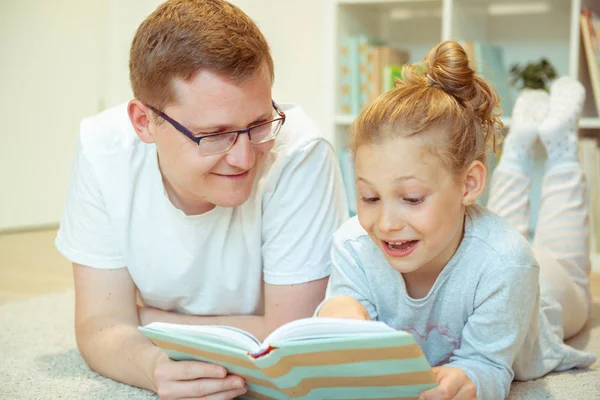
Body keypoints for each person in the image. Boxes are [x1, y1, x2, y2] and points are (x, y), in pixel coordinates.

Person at [55, 0, 348, 398]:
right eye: (215, 134)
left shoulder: (299, 153)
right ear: (144, 122)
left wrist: (145, 322)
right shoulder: (102, 150)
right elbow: (98, 328)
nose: (244, 157)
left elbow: (293, 342)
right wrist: (152, 365)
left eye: (260, 123)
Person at [317, 40, 596, 400]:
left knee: (564, 259)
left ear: (469, 184)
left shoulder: (509, 263)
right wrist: (339, 312)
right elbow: (345, 305)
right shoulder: (354, 244)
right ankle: (518, 149)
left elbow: (490, 366)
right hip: (475, 240)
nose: (385, 223)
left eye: (412, 198)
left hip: (545, 291)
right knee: (491, 227)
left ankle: (560, 148)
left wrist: (470, 379)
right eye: (370, 197)